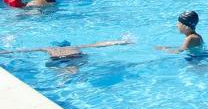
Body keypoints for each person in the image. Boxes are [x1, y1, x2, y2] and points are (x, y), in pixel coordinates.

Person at [0, 39, 130, 61]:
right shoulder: (77, 46)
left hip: (56, 58)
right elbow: (100, 44)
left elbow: (25, 50)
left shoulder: (48, 48)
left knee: (65, 72)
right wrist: (122, 41)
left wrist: (4, 52)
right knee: (73, 69)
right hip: (76, 56)